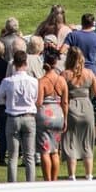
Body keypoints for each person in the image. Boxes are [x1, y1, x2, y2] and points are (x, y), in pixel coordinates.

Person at [0, 50, 38, 183]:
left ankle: (12, 185)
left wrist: (9, 102)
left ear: (14, 64)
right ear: (25, 63)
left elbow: (0, 99)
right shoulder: (33, 81)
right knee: (29, 155)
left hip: (13, 117)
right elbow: (35, 98)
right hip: (28, 117)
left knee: (13, 156)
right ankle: (30, 184)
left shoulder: (7, 81)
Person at [61, 47, 96, 181]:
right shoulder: (89, 73)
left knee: (71, 142)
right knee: (87, 143)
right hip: (87, 107)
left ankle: (72, 175)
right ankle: (89, 174)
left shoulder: (65, 74)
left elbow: (61, 93)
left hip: (72, 107)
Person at [36, 47, 68, 182]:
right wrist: (65, 118)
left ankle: (47, 180)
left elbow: (38, 102)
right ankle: (54, 180)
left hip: (45, 115)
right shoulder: (62, 81)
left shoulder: (42, 81)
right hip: (59, 114)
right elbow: (65, 102)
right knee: (55, 150)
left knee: (45, 150)